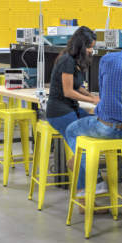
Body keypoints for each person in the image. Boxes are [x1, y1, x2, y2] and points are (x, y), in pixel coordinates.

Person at [65, 30, 122, 210]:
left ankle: (95, 177)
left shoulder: (106, 59)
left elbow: (103, 92)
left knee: (71, 130)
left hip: (106, 127)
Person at [46, 27, 101, 197]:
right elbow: (68, 91)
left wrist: (92, 96)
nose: (91, 51)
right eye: (89, 47)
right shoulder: (67, 61)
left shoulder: (74, 60)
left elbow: (77, 86)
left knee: (96, 128)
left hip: (71, 108)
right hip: (59, 112)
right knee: (84, 151)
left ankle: (73, 162)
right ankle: (83, 194)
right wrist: (92, 101)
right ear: (81, 46)